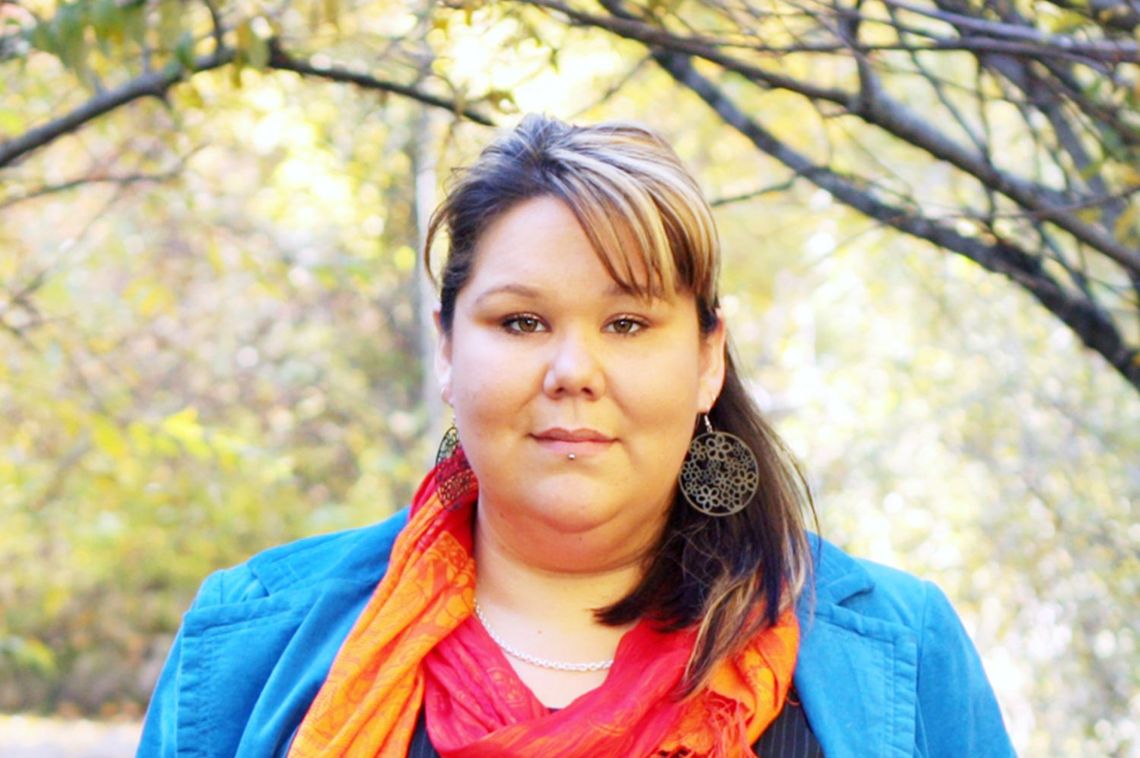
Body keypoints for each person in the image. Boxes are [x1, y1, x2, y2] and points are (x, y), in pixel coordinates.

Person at [137, 115, 1014, 757]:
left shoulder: (900, 646)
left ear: (709, 359)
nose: (573, 369)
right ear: (447, 350)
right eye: (521, 323)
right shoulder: (251, 636)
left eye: (628, 323)